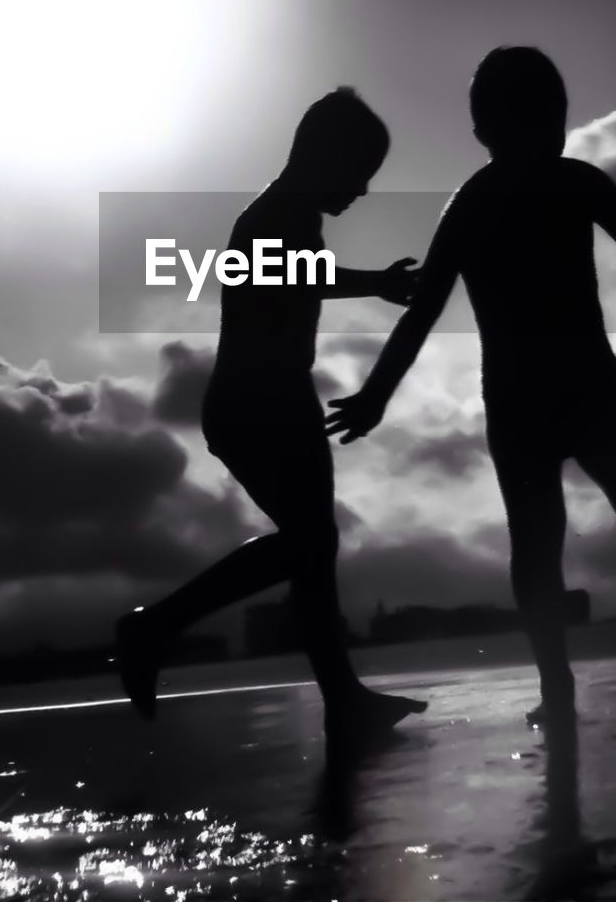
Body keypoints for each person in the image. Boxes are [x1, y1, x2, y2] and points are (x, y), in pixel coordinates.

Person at [325, 47, 616, 725]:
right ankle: (556, 683)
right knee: (540, 544)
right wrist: (377, 393)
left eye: (556, 116)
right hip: (526, 402)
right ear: (487, 134)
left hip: (588, 388)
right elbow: (424, 308)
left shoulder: (574, 182)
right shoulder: (474, 204)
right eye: (534, 118)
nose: (549, 131)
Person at [115, 87, 428, 746]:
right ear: (325, 157)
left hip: (277, 400)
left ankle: (342, 698)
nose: (364, 191)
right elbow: (291, 274)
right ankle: (157, 626)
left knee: (314, 551)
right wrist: (374, 282)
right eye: (360, 174)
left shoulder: (290, 214)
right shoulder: (275, 215)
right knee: (311, 544)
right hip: (256, 404)